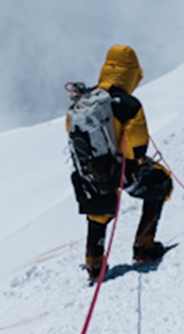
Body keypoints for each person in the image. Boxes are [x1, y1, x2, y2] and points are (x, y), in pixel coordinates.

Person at [69, 45, 173, 281]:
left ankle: (94, 263)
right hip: (122, 169)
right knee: (160, 183)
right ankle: (144, 245)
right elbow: (136, 143)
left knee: (99, 212)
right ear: (131, 73)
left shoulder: (86, 99)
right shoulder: (128, 104)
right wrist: (135, 164)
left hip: (89, 170)